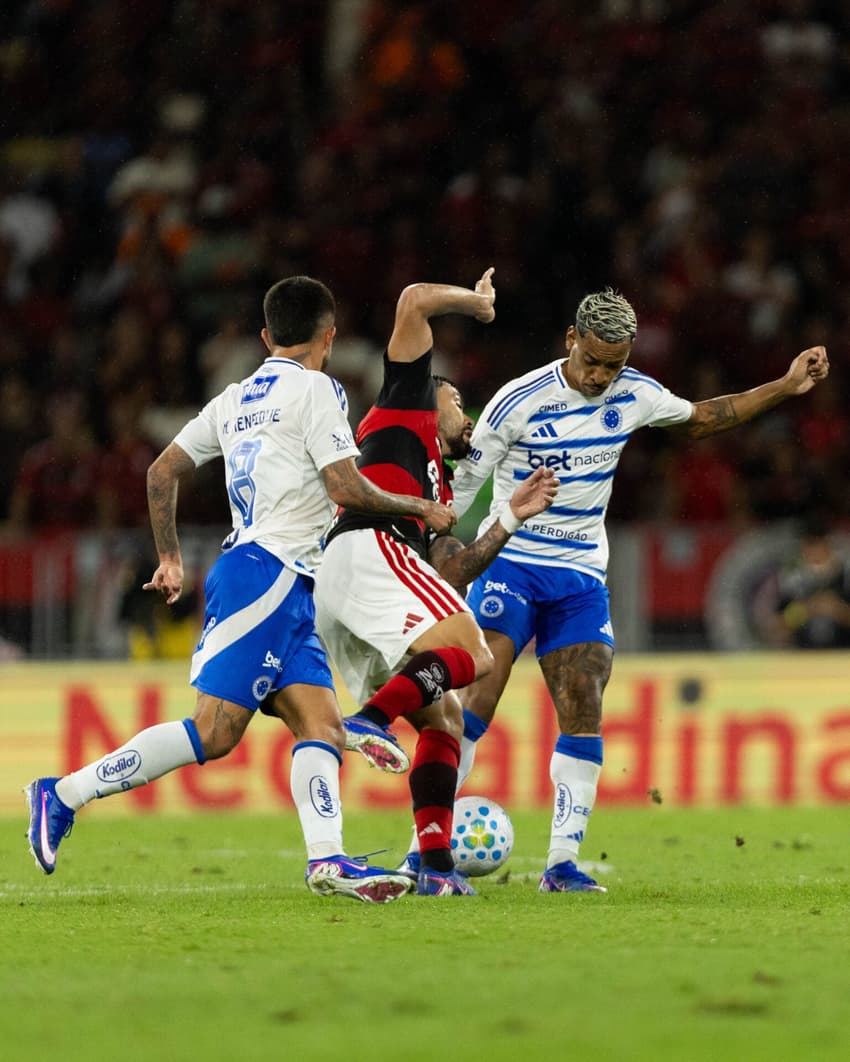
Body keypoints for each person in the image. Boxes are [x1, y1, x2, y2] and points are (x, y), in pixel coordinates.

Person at [24, 274, 457, 903]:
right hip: (267, 575)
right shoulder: (318, 390)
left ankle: (328, 863)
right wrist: (418, 505)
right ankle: (63, 794)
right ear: (329, 337)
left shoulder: (233, 398)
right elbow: (344, 487)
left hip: (279, 577)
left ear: (265, 336)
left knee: (322, 724)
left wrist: (170, 556)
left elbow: (161, 470)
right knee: (215, 732)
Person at [418, 286, 828, 893]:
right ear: (570, 341)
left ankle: (560, 866)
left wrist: (784, 386)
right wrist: (438, 550)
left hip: (581, 574)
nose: (600, 375)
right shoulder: (517, 401)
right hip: (512, 563)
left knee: (584, 701)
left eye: (613, 364)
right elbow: (458, 488)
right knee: (475, 701)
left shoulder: (635, 392)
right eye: (592, 361)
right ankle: (423, 858)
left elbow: (704, 417)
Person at [313, 268, 557, 897]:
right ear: (434, 398)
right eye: (459, 404)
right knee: (476, 655)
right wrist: (474, 304)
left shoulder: (438, 488)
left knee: (445, 722)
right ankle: (367, 720)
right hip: (368, 547)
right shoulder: (406, 407)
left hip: (355, 581)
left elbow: (450, 572)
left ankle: (437, 867)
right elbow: (413, 300)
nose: (467, 416)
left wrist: (508, 517)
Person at [753, 513, 850, 649]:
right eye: (809, 547)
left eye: (818, 546)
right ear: (803, 548)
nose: (814, 553)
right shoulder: (791, 579)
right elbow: (775, 628)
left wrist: (837, 609)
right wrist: (805, 610)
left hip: (842, 657)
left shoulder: (845, 575)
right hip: (802, 658)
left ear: (828, 546)